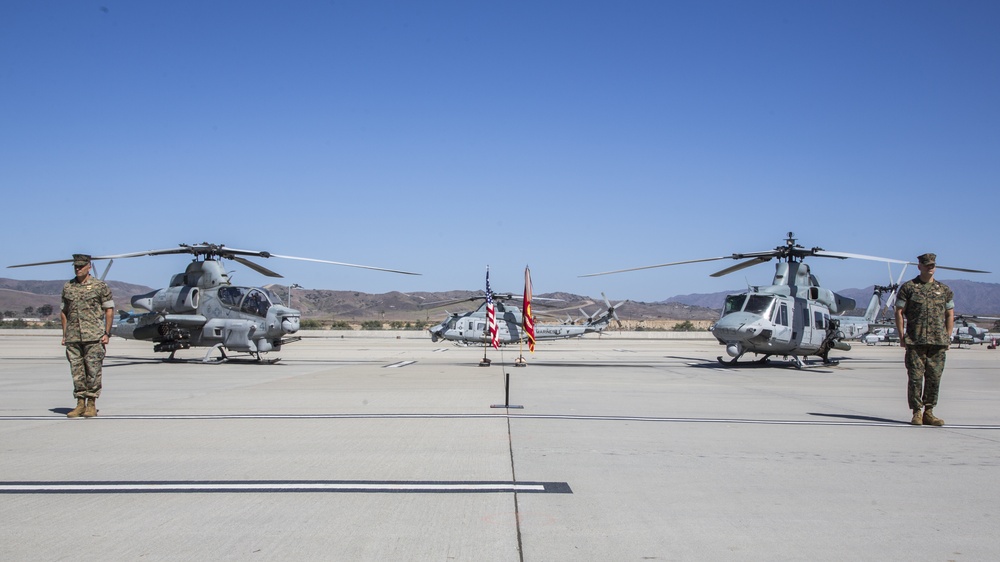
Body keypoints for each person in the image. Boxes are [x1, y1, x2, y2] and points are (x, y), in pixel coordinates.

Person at [894, 253, 955, 426]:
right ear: (919, 266)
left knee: (934, 378)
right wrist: (901, 336)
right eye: (927, 265)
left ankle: (929, 411)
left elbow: (950, 314)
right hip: (915, 341)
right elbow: (899, 312)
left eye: (933, 265)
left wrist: (948, 337)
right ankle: (916, 412)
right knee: (915, 378)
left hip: (938, 342)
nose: (930, 267)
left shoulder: (944, 290)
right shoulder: (909, 288)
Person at [60, 254, 115, 418]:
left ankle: (91, 403)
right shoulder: (68, 287)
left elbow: (109, 310)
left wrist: (106, 333)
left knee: (93, 371)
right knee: (77, 371)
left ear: (89, 266)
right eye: (76, 266)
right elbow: (63, 312)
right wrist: (65, 335)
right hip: (73, 337)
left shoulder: (100, 286)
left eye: (81, 266)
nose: (78, 269)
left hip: (94, 336)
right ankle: (79, 403)